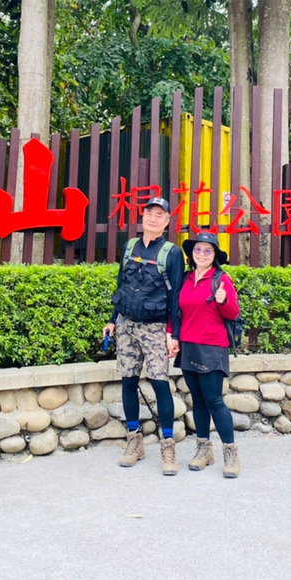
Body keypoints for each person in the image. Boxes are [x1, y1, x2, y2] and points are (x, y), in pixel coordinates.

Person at [103, 196, 184, 475]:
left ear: (167, 221)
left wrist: (173, 333)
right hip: (127, 325)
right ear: (143, 217)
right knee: (128, 381)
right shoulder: (129, 247)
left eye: (159, 215)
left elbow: (176, 297)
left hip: (155, 328)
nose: (153, 218)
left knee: (160, 382)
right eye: (149, 212)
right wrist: (113, 321)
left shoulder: (172, 253)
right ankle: (134, 440)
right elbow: (121, 285)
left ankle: (167, 444)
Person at [176, 231, 241, 478]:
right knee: (198, 400)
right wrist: (173, 337)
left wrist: (224, 300)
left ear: (214, 255)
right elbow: (176, 312)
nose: (201, 254)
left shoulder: (221, 279)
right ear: (192, 254)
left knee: (214, 400)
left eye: (207, 250)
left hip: (213, 346)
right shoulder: (185, 278)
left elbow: (233, 313)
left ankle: (230, 454)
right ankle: (204, 450)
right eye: (197, 250)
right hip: (188, 345)